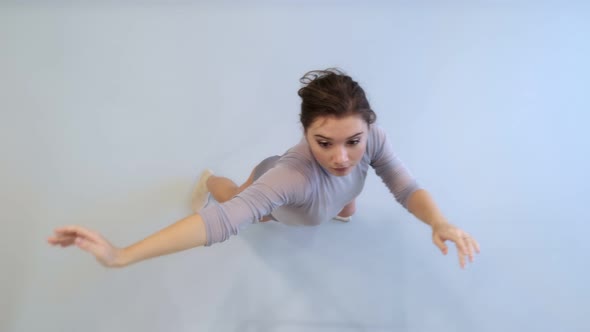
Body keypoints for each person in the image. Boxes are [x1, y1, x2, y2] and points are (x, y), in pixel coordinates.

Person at [47, 68, 480, 269]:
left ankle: (337, 210)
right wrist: (122, 254)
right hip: (284, 201)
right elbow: (219, 222)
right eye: (324, 144)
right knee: (233, 195)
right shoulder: (292, 177)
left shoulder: (376, 138)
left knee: (344, 207)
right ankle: (207, 178)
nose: (343, 158)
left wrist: (439, 222)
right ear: (305, 132)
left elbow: (406, 187)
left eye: (354, 141)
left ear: (368, 126)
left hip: (326, 206)